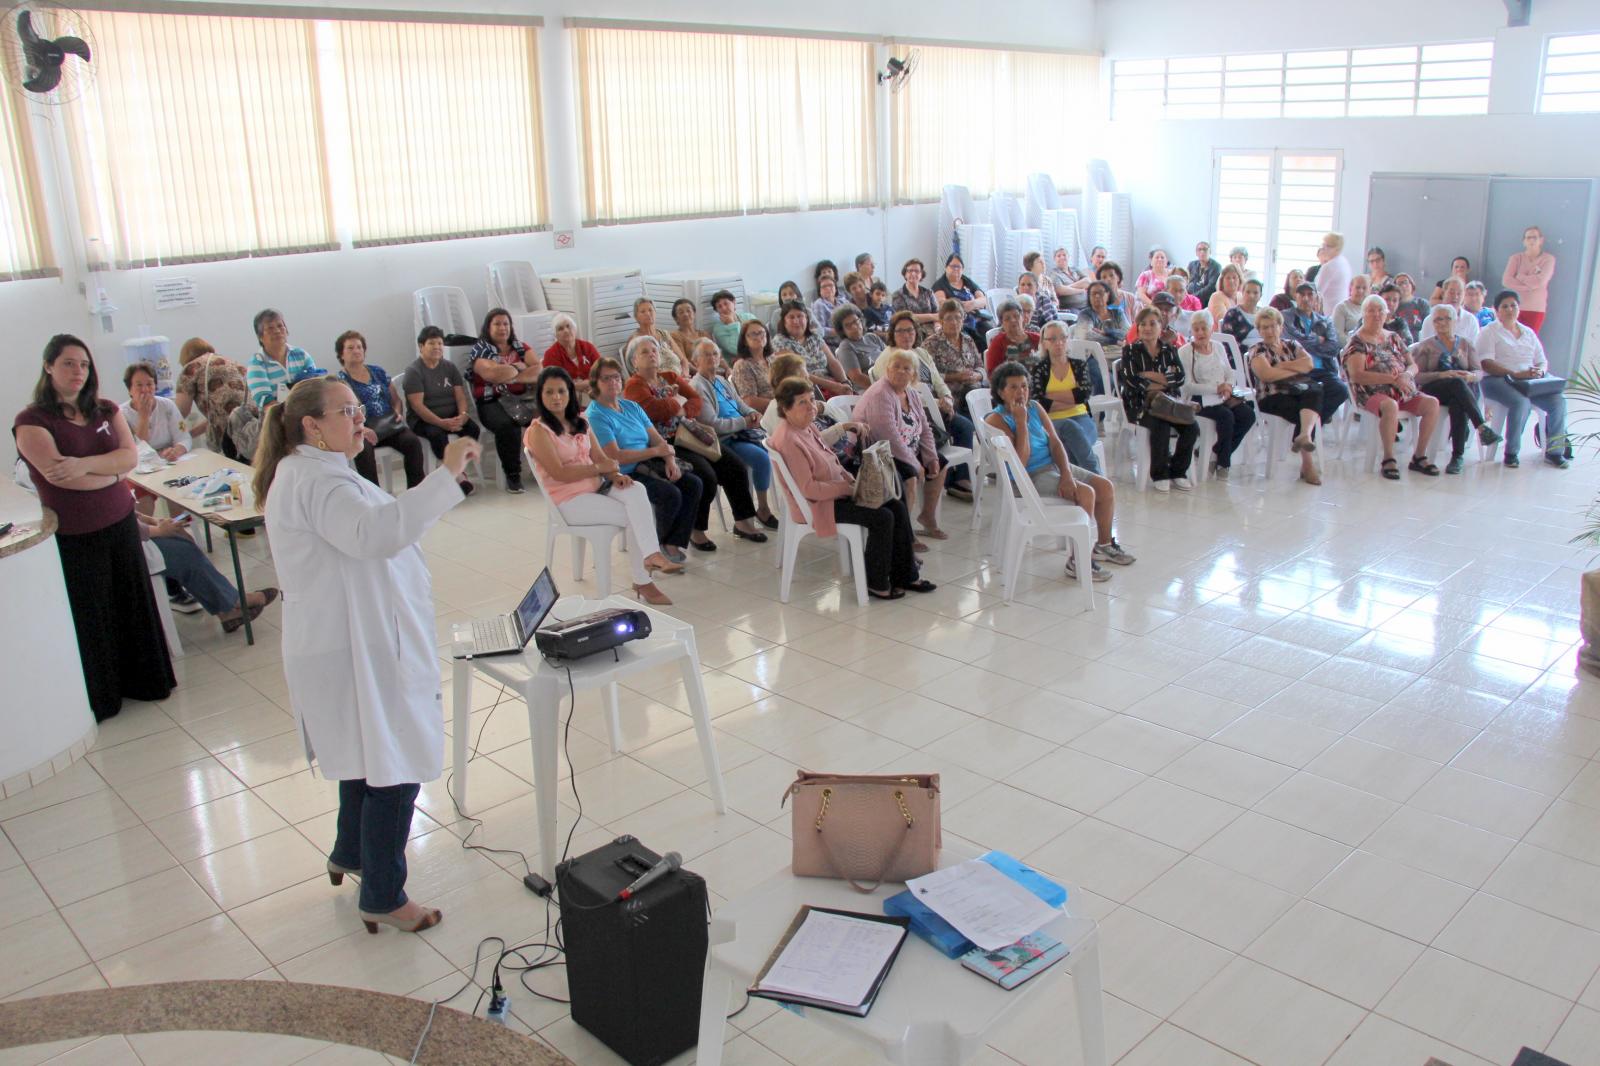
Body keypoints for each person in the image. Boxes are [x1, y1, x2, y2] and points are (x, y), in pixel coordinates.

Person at [254, 375, 480, 936]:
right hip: (355, 645)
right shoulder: (320, 481)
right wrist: (446, 473)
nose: (361, 418)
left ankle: (350, 854)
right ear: (312, 425)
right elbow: (376, 534)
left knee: (363, 752)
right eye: (348, 411)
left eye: (360, 409)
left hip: (344, 639)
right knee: (394, 761)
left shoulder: (312, 470)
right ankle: (383, 893)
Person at [14, 335, 176, 721]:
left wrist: (90, 466)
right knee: (94, 614)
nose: (78, 372)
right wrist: (112, 471)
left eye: (84, 365)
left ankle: (147, 682)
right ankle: (106, 697)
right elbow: (61, 478)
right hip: (76, 534)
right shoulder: (32, 421)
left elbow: (130, 454)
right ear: (49, 366)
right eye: (69, 363)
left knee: (132, 602)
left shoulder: (103, 409)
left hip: (119, 521)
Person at [525, 367, 682, 605]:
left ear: (570, 393)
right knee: (633, 514)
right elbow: (560, 473)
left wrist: (615, 474)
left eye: (561, 391)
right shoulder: (538, 430)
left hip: (596, 488)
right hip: (569, 500)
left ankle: (651, 556)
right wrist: (600, 469)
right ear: (540, 396)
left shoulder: (580, 421)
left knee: (636, 489)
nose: (556, 397)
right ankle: (644, 581)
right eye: (549, 392)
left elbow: (600, 458)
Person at [769, 379, 933, 601]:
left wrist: (855, 482)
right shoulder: (789, 439)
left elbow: (832, 460)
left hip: (834, 494)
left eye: (811, 401)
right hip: (819, 506)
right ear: (785, 408)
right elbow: (809, 490)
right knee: (882, 517)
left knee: (895, 505)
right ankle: (875, 582)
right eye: (802, 403)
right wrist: (846, 488)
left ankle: (906, 575)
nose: (811, 407)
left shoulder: (806, 427)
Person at [985, 361, 1134, 581]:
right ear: (1001, 392)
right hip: (1028, 477)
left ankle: (1102, 545)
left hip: (1052, 466)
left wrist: (1065, 474)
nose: (1021, 392)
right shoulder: (997, 419)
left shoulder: (1035, 407)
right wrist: (1021, 423)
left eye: (1024, 386)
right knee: (1086, 493)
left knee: (1104, 487)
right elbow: (1020, 462)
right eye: (1014, 387)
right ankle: (1077, 562)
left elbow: (1055, 443)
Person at [623, 336, 765, 549]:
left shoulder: (669, 376)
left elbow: (695, 401)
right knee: (705, 475)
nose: (652, 354)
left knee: (734, 466)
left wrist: (679, 407)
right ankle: (696, 531)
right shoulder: (633, 385)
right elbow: (652, 410)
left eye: (654, 350)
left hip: (688, 435)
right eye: (645, 352)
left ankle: (743, 522)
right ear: (634, 361)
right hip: (663, 444)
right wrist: (676, 404)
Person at [587, 357, 701, 562]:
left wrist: (669, 461)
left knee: (693, 484)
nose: (613, 382)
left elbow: (657, 440)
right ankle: (652, 549)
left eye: (615, 377)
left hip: (649, 464)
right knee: (670, 494)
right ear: (595, 383)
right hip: (623, 473)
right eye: (606, 378)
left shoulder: (631, 407)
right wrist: (655, 452)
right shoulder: (596, 415)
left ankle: (672, 542)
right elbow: (615, 455)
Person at [873, 311, 975, 499]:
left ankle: (959, 479)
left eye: (910, 330)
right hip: (910, 412)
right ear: (892, 334)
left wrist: (947, 397)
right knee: (937, 436)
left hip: (935, 406)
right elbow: (896, 393)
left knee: (965, 426)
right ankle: (936, 476)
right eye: (901, 331)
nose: (907, 335)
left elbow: (938, 380)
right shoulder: (889, 358)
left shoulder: (921, 353)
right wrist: (936, 403)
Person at [1342, 294, 1442, 480]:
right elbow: (1357, 375)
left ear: (1387, 314)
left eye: (1381, 310)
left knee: (1432, 403)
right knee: (1390, 406)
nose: (1377, 314)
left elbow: (1413, 365)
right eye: (1371, 311)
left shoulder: (1394, 337)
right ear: (1363, 314)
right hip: (1370, 391)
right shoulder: (1357, 342)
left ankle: (1419, 456)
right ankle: (1389, 458)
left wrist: (1407, 374)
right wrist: (1391, 379)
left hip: (1401, 389)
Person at [858, 350, 950, 545]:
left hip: (906, 447)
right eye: (895, 366)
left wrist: (931, 457)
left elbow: (924, 427)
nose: (900, 371)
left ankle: (927, 517)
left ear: (913, 375)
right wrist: (916, 464)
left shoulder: (910, 393)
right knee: (909, 475)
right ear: (886, 369)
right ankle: (905, 532)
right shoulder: (880, 394)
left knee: (940, 464)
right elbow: (888, 437)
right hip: (879, 453)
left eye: (906, 368)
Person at [687, 339, 779, 529]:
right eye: (706, 354)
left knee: (775, 449)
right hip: (725, 439)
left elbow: (739, 404)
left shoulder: (720, 380)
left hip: (743, 432)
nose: (712, 358)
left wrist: (752, 414)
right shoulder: (697, 386)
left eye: (714, 353)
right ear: (695, 362)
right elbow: (712, 424)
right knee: (761, 458)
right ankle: (762, 508)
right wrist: (743, 422)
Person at [137, 510, 277, 631]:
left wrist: (149, 520)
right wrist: (158, 530)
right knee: (184, 552)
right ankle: (234, 602)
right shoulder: (114, 480)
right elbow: (119, 519)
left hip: (134, 533)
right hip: (130, 545)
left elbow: (125, 510)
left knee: (181, 539)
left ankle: (226, 610)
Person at [1478, 290, 1569, 469]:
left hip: (1529, 382)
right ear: (1497, 311)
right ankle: (1511, 452)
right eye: (1505, 306)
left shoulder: (1528, 332)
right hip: (1498, 380)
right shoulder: (1489, 331)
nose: (1510, 309)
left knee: (1559, 402)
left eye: (1514, 305)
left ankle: (1554, 452)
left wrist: (1540, 372)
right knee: (1521, 402)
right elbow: (1486, 363)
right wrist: (1514, 373)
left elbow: (1542, 361)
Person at [1413, 304, 1503, 474]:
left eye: (1447, 318)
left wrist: (1470, 376)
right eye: (1438, 319)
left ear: (1455, 321)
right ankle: (1481, 426)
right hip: (1435, 389)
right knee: (1456, 383)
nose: (1443, 323)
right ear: (1433, 323)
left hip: (1463, 392)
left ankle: (1457, 457)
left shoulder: (1466, 344)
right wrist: (1441, 375)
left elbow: (1478, 371)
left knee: (1458, 402)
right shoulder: (1426, 346)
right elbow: (1417, 376)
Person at [1119, 307, 1199, 492]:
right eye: (1143, 324)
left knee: (1191, 427)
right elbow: (1132, 382)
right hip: (1139, 404)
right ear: (1138, 328)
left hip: (1169, 403)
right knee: (1160, 424)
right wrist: (1164, 381)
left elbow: (1179, 379)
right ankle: (1159, 473)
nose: (1147, 328)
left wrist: (1150, 376)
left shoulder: (1169, 350)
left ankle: (1178, 471)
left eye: (1152, 323)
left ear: (1161, 326)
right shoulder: (1131, 351)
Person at [335, 331, 426, 491]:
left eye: (359, 347)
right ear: (341, 354)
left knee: (412, 442)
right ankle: (374, 495)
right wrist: (362, 428)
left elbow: (395, 399)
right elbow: (345, 413)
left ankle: (416, 491)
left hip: (389, 425)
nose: (356, 351)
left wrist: (397, 412)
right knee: (363, 449)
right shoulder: (341, 380)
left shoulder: (377, 371)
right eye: (350, 348)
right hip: (364, 429)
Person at [1249, 308, 1325, 485]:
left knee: (1314, 393)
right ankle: (1308, 463)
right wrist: (1293, 367)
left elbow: (1309, 364)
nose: (1269, 331)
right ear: (1259, 330)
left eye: (1273, 326)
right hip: (1271, 397)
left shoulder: (1292, 345)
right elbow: (1266, 375)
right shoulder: (1257, 350)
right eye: (1264, 328)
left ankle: (1304, 437)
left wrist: (1280, 366)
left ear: (1280, 327)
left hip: (1298, 391)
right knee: (1308, 410)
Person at [465, 308, 535, 493]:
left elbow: (538, 370)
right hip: (491, 401)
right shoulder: (481, 350)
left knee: (544, 420)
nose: (502, 328)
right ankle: (513, 477)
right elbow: (492, 374)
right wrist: (516, 367)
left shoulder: (520, 347)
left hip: (521, 398)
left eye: (506, 323)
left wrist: (513, 377)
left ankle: (544, 469)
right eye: (497, 324)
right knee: (507, 426)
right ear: (488, 327)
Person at [403, 326, 478, 497]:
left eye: (440, 343)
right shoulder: (414, 371)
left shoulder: (449, 367)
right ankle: (458, 475)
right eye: (431, 343)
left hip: (451, 415)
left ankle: (454, 466)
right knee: (437, 434)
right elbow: (418, 406)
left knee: (473, 429)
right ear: (421, 346)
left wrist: (463, 416)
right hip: (423, 419)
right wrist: (441, 422)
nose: (437, 347)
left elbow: (460, 396)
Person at [1180, 311, 1255, 478]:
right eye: (1196, 329)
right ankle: (1223, 463)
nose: (1200, 333)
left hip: (1222, 395)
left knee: (1248, 415)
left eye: (1203, 328)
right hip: (1197, 399)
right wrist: (1217, 388)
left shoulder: (1218, 347)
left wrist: (1228, 385)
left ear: (1211, 328)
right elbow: (1187, 387)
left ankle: (1215, 453)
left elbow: (1230, 372)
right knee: (1226, 416)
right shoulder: (1185, 352)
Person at [1031, 320, 1101, 473]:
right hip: (1051, 421)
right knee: (1073, 439)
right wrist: (1071, 399)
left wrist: (1052, 397)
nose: (1059, 343)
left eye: (1063, 337)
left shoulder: (1079, 365)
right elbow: (1039, 403)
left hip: (1081, 417)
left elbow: (1083, 396)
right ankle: (1097, 479)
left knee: (1073, 442)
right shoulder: (1039, 369)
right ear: (1044, 343)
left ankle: (1081, 484)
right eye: (1053, 339)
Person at [1282, 283, 1352, 425]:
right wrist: (1318, 339)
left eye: (1310, 294)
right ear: (1296, 296)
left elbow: (1333, 347)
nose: (1306, 298)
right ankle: (1308, 428)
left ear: (1316, 297)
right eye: (1302, 294)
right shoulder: (1287, 316)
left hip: (1322, 369)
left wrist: (1305, 343)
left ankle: (1311, 424)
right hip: (1297, 369)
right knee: (1310, 392)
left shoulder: (1325, 321)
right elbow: (1293, 343)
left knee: (1341, 390)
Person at [174, 339, 254, 460]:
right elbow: (220, 411)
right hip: (253, 428)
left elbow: (179, 413)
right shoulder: (232, 363)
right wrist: (189, 436)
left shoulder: (190, 369)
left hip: (230, 437)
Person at [773, 300, 852, 398]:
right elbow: (799, 373)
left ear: (807, 318)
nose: (796, 321)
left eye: (800, 316)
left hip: (831, 383)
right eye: (791, 317)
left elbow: (832, 362)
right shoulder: (780, 342)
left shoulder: (814, 336)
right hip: (805, 389)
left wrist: (845, 382)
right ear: (784, 322)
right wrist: (834, 386)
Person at [245, 308, 320, 408]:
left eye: (280, 326)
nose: (277, 331)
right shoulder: (257, 363)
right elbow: (267, 405)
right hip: (275, 419)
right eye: (270, 328)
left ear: (287, 330)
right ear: (260, 337)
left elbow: (316, 389)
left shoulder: (301, 355)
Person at [121, 362, 189, 462]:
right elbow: (137, 450)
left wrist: (175, 452)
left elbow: (184, 438)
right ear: (129, 390)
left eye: (149, 384)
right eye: (139, 385)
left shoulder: (167, 405)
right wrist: (144, 417)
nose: (145, 389)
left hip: (169, 461)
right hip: (142, 466)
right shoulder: (121, 414)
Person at [1502, 226, 1555, 334]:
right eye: (1528, 237)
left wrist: (1520, 276)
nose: (1531, 240)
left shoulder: (1548, 259)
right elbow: (1506, 281)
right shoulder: (1516, 258)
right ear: (1524, 241)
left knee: (1528, 340)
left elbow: (1540, 282)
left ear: (1541, 240)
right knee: (1509, 338)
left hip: (1535, 309)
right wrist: (1531, 285)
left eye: (1534, 237)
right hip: (1513, 307)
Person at [932, 253, 991, 346]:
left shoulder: (966, 281)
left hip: (976, 320)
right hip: (957, 322)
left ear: (962, 269)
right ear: (946, 268)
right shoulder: (940, 285)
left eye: (958, 267)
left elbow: (984, 300)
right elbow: (942, 304)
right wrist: (963, 307)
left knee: (990, 335)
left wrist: (972, 304)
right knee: (974, 342)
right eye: (953, 266)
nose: (956, 269)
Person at [541, 313, 601, 402]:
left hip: (592, 390)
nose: (566, 330)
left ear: (575, 329)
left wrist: (590, 383)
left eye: (569, 326)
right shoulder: (551, 354)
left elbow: (602, 370)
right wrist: (576, 386)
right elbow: (554, 383)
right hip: (566, 396)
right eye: (560, 329)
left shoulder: (588, 347)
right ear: (555, 335)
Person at [832, 305, 884, 391]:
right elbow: (857, 378)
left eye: (856, 321)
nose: (855, 327)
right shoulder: (846, 347)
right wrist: (882, 387)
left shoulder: (872, 337)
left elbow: (890, 357)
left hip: (888, 379)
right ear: (842, 330)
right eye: (848, 325)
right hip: (869, 389)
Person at [622, 297, 680, 374]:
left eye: (650, 310)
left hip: (681, 377)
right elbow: (634, 371)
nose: (648, 314)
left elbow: (683, 360)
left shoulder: (664, 334)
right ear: (636, 317)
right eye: (643, 311)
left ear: (655, 313)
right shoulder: (635, 340)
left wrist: (685, 373)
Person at [730, 320, 777, 414]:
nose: (758, 337)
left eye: (761, 333)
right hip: (766, 414)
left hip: (784, 407)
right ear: (745, 341)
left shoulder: (772, 359)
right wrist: (780, 405)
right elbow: (750, 401)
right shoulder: (743, 365)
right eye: (753, 334)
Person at [1418, 277, 1481, 347]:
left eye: (1459, 293)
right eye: (1451, 293)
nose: (1455, 297)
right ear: (1443, 293)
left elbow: (1474, 348)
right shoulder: (1430, 320)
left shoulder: (1471, 320)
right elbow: (1424, 348)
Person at [985, 300, 1040, 374]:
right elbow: (993, 374)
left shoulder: (1037, 339)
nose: (1013, 320)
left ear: (1022, 317)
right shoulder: (998, 343)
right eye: (1007, 319)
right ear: (1002, 323)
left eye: (1016, 316)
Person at [892, 257, 941, 336]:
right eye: (910, 271)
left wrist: (937, 327)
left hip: (932, 332)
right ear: (905, 274)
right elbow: (905, 317)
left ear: (921, 274)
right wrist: (931, 316)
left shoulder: (929, 293)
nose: (913, 273)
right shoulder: (898, 295)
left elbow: (938, 314)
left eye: (917, 271)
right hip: (910, 333)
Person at [1314, 232, 1353, 323]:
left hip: (1330, 312)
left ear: (1336, 249)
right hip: (1342, 309)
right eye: (1323, 245)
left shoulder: (1329, 267)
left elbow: (1318, 291)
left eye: (1327, 246)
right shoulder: (1344, 262)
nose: (1323, 248)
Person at [708, 290, 756, 364]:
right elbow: (737, 349)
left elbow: (762, 338)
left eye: (726, 303)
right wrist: (732, 324)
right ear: (717, 311)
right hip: (738, 364)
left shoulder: (749, 317)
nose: (723, 308)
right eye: (719, 306)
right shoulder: (718, 329)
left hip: (757, 357)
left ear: (734, 302)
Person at [1220, 278, 1266, 351]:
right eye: (1248, 292)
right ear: (1242, 293)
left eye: (1255, 293)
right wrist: (1253, 351)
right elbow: (1227, 342)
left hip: (1266, 354)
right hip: (1241, 356)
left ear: (1261, 295)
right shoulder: (1232, 314)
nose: (1251, 296)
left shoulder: (1265, 314)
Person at [666, 298, 711, 369]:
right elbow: (684, 362)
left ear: (694, 313)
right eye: (681, 312)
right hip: (693, 374)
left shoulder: (704, 334)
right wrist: (702, 374)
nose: (686, 314)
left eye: (688, 311)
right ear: (676, 318)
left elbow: (717, 356)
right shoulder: (675, 336)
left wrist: (727, 369)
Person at [1331, 274, 1371, 345]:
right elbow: (1338, 336)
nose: (1361, 291)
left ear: (1369, 290)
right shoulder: (1341, 307)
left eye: (1364, 288)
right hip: (1349, 348)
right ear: (1351, 288)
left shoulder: (1372, 308)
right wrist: (1357, 345)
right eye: (1358, 287)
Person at [1048, 246, 1088, 310]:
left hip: (1086, 305)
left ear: (1068, 257)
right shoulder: (1054, 274)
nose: (1062, 257)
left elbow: (1087, 281)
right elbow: (1060, 291)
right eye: (1058, 256)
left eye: (1064, 255)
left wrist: (1068, 287)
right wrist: (1081, 290)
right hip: (1070, 308)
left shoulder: (1075, 269)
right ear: (1054, 259)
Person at [812, 274, 848, 344]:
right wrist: (841, 331)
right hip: (834, 344)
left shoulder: (843, 301)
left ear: (835, 288)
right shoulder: (819, 304)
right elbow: (819, 329)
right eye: (824, 286)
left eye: (831, 285)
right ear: (820, 291)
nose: (828, 288)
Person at [1393, 273, 1429, 338]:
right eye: (1399, 284)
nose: (1403, 286)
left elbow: (1428, 324)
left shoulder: (1422, 303)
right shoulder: (1393, 305)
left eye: (1406, 282)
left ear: (1412, 285)